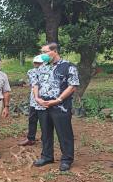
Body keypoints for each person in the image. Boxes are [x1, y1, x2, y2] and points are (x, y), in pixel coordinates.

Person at [32, 42, 80, 171]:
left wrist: (58, 100)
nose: (43, 55)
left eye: (45, 52)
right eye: (42, 52)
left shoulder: (68, 66)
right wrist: (37, 98)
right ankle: (47, 156)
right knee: (45, 132)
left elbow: (72, 86)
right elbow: (35, 83)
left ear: (54, 51)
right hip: (42, 104)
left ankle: (66, 159)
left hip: (60, 105)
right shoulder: (42, 67)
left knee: (64, 132)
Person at [18, 55, 45, 146]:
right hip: (35, 100)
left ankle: (44, 139)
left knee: (44, 121)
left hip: (45, 101)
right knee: (32, 119)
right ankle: (31, 138)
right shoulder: (32, 72)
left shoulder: (49, 71)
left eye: (39, 63)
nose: (37, 65)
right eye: (36, 63)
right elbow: (33, 84)